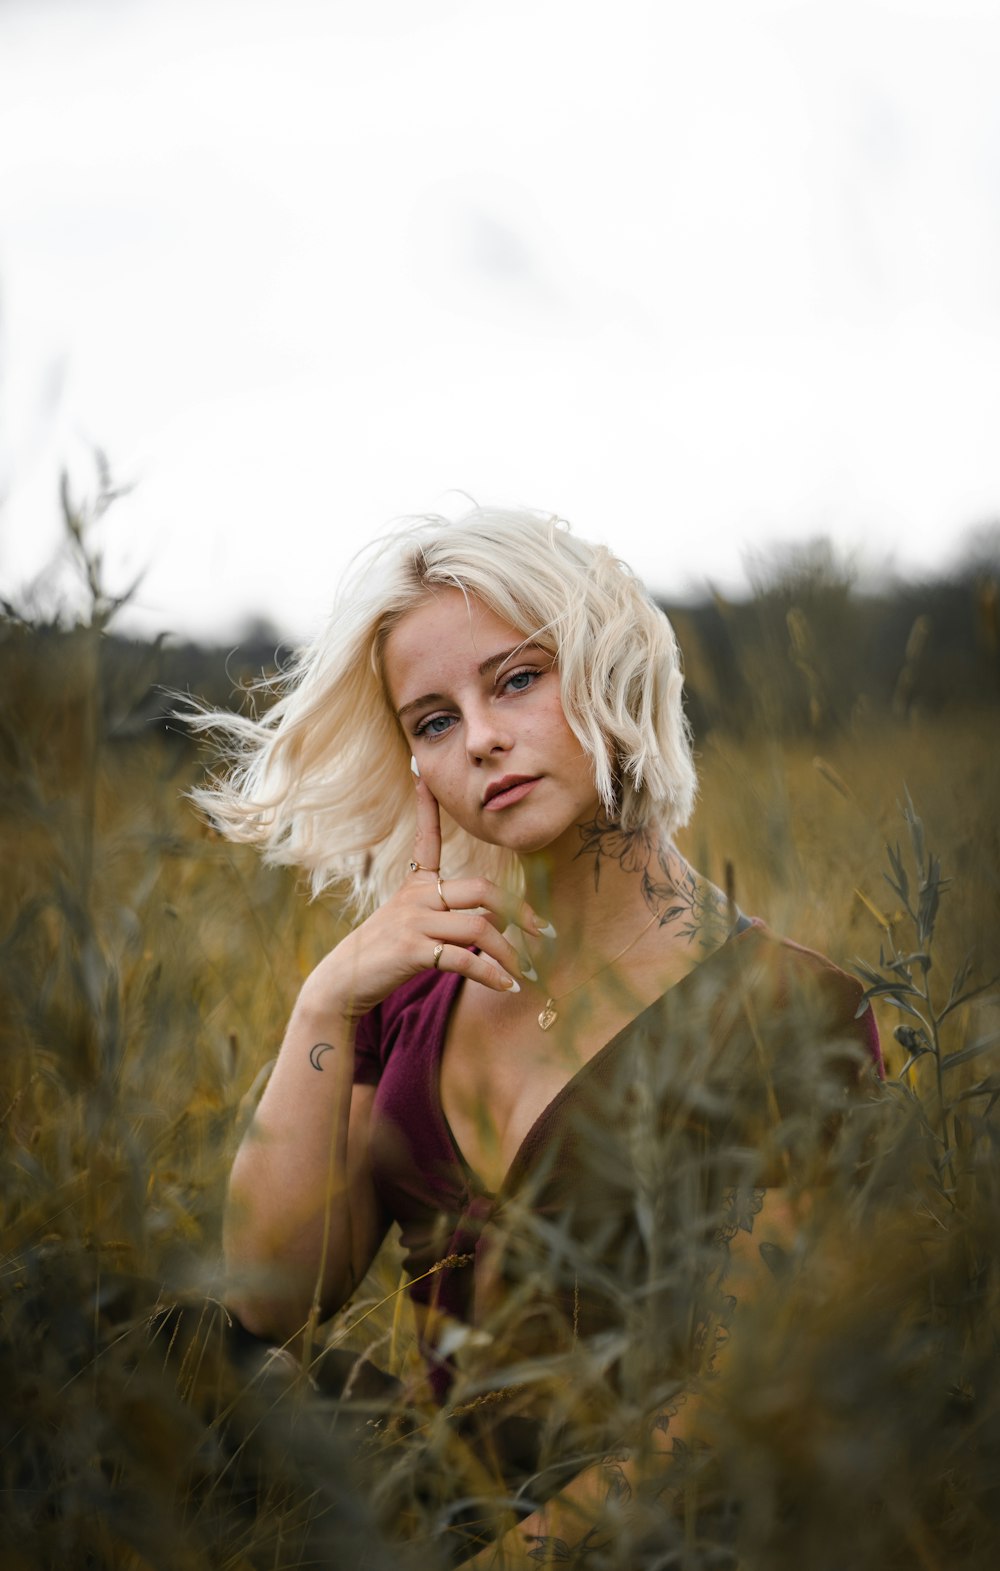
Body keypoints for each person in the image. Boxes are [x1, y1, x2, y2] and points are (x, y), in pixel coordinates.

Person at [193, 506, 882, 1566]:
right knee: (139, 1342)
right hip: (423, 1505)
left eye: (515, 679)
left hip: (660, 1531)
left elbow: (749, 1397)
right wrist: (324, 1000)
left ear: (608, 670)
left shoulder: (796, 1011)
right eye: (431, 719)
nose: (479, 737)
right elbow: (268, 1300)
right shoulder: (413, 996)